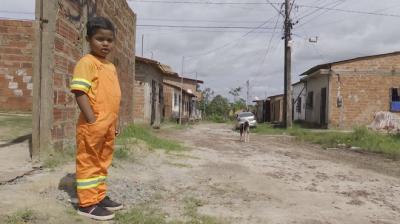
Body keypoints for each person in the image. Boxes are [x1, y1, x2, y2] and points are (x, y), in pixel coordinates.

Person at [70, 16, 123, 221]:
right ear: (88, 39)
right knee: (89, 161)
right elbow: (79, 92)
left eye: (109, 40)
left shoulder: (110, 66)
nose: (105, 43)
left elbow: (111, 98)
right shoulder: (87, 62)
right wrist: (91, 120)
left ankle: (99, 197)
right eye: (100, 39)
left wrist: (112, 123)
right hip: (92, 124)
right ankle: (87, 203)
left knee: (102, 162)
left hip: (108, 125)